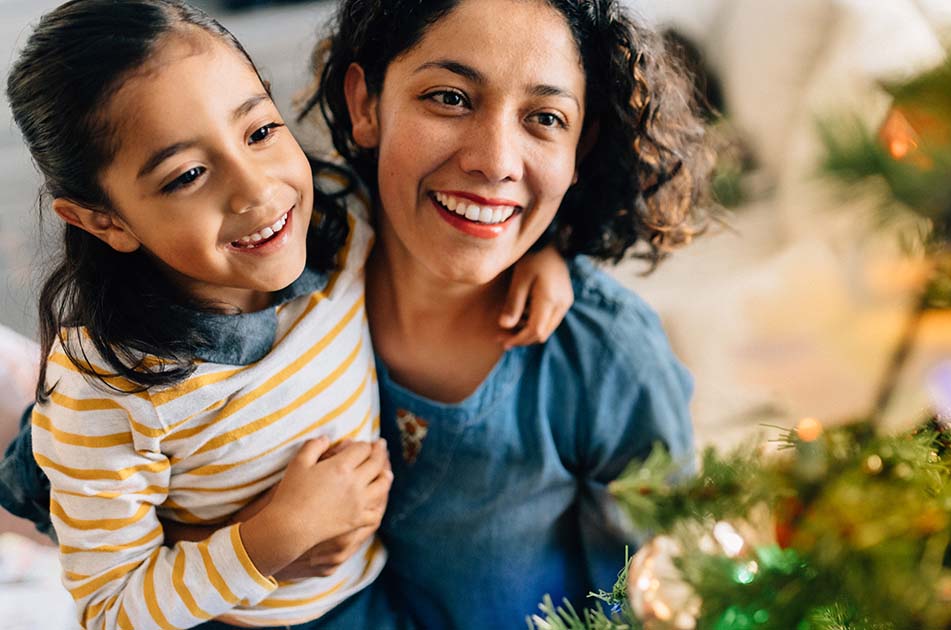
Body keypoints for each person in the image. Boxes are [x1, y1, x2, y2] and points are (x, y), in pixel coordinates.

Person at [0, 1, 573, 628]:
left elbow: (450, 219)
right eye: (188, 174)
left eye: (260, 132)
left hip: (379, 589)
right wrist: (273, 539)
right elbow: (109, 612)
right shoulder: (105, 393)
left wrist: (539, 255)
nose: (257, 190)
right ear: (102, 220)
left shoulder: (340, 223)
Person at [296, 0, 715, 624]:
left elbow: (657, 597)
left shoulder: (605, 358)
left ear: (580, 147)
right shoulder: (288, 289)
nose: (494, 160)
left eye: (545, 117)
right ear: (366, 105)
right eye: (450, 98)